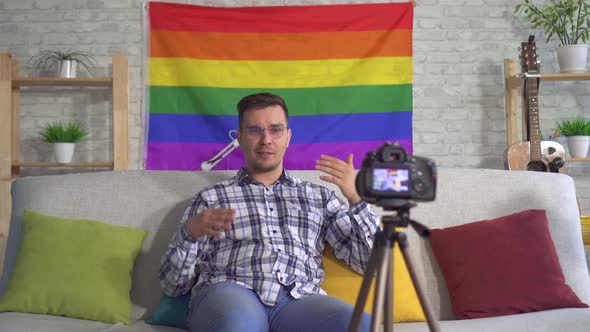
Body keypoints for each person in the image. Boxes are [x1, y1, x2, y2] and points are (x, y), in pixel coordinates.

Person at [159, 92, 380, 332]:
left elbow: (370, 265)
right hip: (231, 292)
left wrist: (357, 200)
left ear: (287, 137)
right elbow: (174, 286)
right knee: (238, 325)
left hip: (298, 300)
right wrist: (189, 234)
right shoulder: (211, 198)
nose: (266, 140)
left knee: (363, 325)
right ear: (240, 137)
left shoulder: (320, 197)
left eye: (275, 130)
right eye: (255, 130)